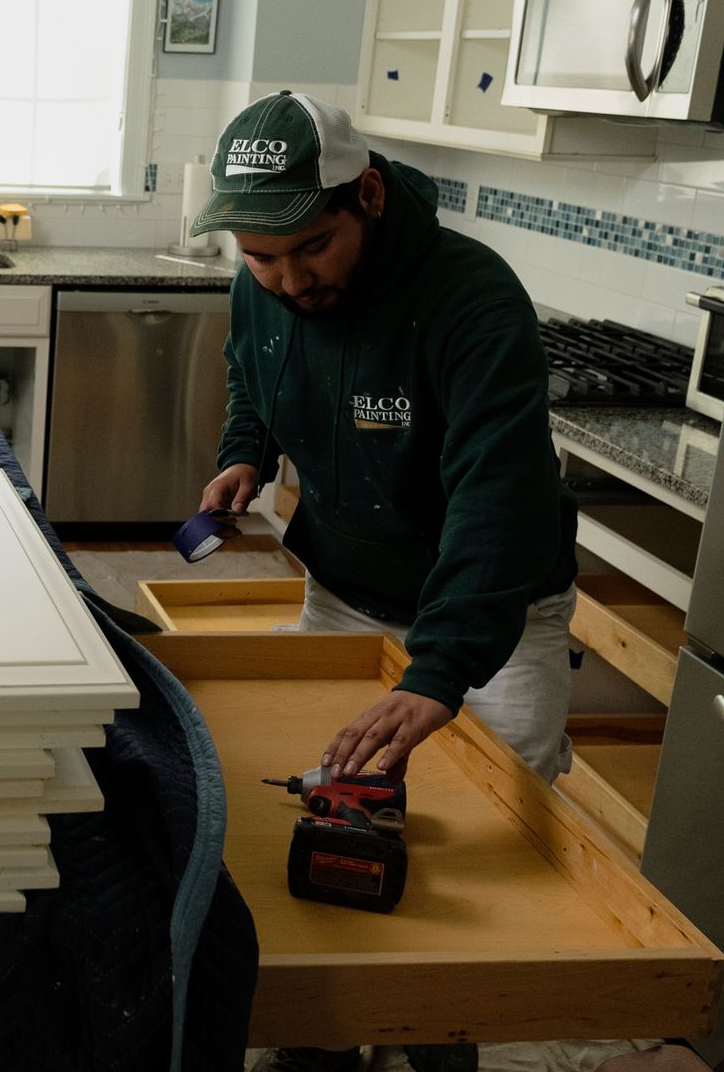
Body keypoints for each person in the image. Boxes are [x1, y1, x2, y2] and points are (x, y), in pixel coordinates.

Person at [193, 92, 579, 1072]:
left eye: (309, 248)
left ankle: (444, 1032)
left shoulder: (471, 301)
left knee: (484, 847)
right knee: (334, 811)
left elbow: (498, 501)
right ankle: (323, 1032)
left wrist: (438, 669)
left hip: (496, 618)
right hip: (345, 592)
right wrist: (247, 449)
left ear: (365, 192)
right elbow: (255, 371)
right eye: (258, 256)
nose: (284, 279)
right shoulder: (264, 285)